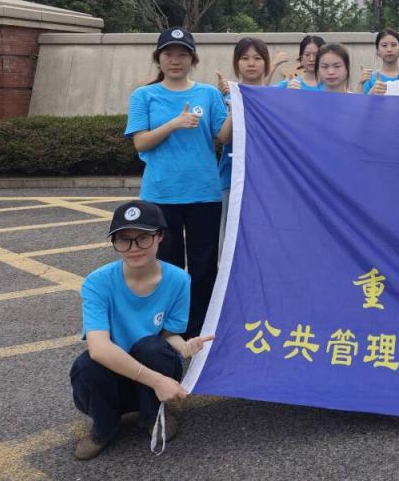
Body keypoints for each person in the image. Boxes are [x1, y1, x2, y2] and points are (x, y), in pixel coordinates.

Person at [70, 201, 213, 460]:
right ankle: (104, 426)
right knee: (87, 365)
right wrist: (157, 381)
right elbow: (99, 348)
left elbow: (168, 334)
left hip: (153, 376)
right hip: (119, 380)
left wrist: (183, 346)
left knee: (152, 347)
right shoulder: (97, 283)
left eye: (143, 238)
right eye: (124, 240)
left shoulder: (179, 279)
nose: (134, 248)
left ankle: (153, 415)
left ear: (160, 237)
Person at [125, 27, 232, 339]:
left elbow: (223, 136)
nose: (175, 60)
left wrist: (235, 105)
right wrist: (173, 124)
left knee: (204, 265)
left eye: (183, 54)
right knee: (167, 265)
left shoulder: (208, 94)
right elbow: (141, 142)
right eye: (168, 53)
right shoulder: (144, 95)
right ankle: (171, 328)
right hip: (161, 195)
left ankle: (200, 329)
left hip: (204, 194)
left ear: (193, 59)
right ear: (158, 58)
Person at [216, 37, 270, 248]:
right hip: (232, 179)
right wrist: (235, 104)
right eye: (245, 58)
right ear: (236, 63)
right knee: (232, 241)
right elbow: (223, 137)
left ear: (266, 63)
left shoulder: (275, 98)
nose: (251, 63)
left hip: (268, 181)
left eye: (257, 58)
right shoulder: (225, 97)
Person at [361, 29, 399, 94]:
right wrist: (371, 93)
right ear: (377, 51)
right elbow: (362, 100)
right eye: (384, 45)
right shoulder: (370, 78)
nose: (389, 49)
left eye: (393, 45)